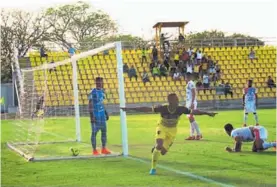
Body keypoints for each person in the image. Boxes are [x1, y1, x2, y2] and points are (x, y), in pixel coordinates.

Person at [121, 93, 217, 175]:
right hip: (162, 127)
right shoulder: (163, 108)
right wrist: (130, 109)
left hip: (172, 131)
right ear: (170, 101)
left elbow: (195, 112)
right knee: (159, 145)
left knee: (163, 152)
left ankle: (156, 149)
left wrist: (207, 113)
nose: (178, 100)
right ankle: (153, 168)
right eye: (176, 99)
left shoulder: (181, 109)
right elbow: (145, 109)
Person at [88, 77, 110, 155]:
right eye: (99, 82)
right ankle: (94, 150)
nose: (101, 83)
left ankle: (103, 148)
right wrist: (92, 116)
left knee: (104, 131)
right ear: (96, 82)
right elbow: (90, 105)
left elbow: (102, 103)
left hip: (102, 116)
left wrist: (106, 112)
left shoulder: (102, 92)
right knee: (94, 132)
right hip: (95, 115)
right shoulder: (92, 92)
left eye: (102, 82)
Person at [185, 72, 202, 140]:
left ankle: (198, 134)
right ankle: (192, 135)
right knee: (190, 119)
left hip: (191, 102)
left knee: (191, 118)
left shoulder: (191, 83)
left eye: (186, 77)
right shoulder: (189, 83)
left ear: (188, 77)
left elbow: (194, 92)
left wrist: (192, 103)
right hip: (189, 102)